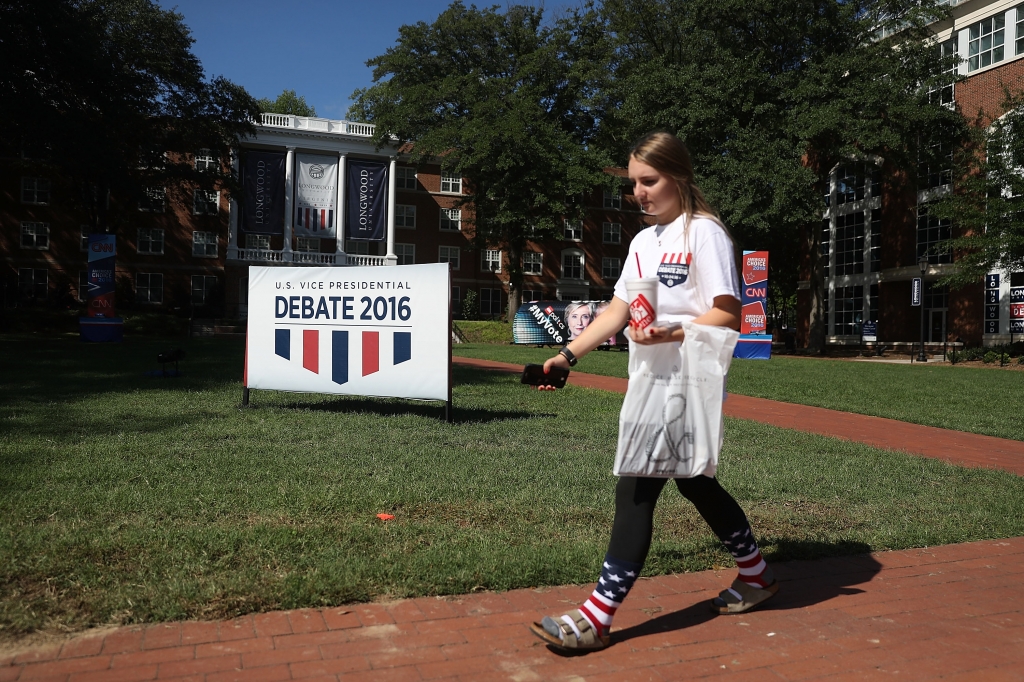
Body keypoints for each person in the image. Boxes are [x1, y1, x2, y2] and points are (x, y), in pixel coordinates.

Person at [529, 132, 777, 652]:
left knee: (637, 485)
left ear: (679, 176)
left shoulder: (704, 234)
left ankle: (598, 616)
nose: (638, 193)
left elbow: (730, 312)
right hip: (651, 377)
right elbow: (618, 309)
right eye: (632, 184)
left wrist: (672, 331)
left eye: (649, 181)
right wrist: (568, 355)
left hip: (689, 377)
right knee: (694, 482)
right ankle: (755, 576)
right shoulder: (644, 242)